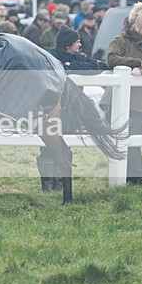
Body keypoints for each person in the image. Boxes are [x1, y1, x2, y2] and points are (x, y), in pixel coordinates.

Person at [101, 2, 142, 185]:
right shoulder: (119, 42)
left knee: (133, 142)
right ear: (138, 26)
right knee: (116, 141)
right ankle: (120, 178)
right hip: (115, 101)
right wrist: (136, 62)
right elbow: (112, 59)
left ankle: (137, 180)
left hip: (139, 104)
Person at [38, 26, 107, 190]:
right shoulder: (50, 57)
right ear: (67, 44)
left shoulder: (79, 57)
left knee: (65, 144)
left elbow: (95, 66)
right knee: (48, 145)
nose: (80, 44)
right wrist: (70, 65)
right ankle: (48, 185)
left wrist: (71, 64)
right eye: (77, 42)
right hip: (51, 108)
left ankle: (62, 184)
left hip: (69, 109)